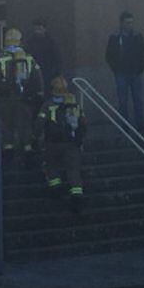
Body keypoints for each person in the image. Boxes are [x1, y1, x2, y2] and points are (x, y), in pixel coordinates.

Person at [0, 28, 44, 159]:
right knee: (25, 122)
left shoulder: (0, 58)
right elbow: (38, 75)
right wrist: (40, 91)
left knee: (7, 123)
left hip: (6, 96)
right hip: (25, 97)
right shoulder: (28, 57)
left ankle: (8, 149)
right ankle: (27, 148)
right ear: (20, 41)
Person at [36, 76, 87, 213]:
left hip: (53, 143)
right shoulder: (74, 104)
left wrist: (37, 136)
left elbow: (39, 123)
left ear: (53, 90)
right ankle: (77, 196)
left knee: (51, 166)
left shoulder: (48, 105)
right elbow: (83, 123)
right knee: (73, 170)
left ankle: (56, 190)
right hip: (71, 143)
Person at [105, 11, 144, 131]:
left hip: (135, 72)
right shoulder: (115, 37)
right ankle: (125, 126)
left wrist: (141, 68)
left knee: (138, 100)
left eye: (131, 22)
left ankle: (140, 125)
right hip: (121, 73)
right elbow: (109, 55)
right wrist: (116, 69)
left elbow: (143, 52)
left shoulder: (137, 36)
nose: (130, 25)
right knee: (123, 101)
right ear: (121, 23)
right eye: (128, 23)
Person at [26, 18, 62, 96]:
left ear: (44, 29)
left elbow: (57, 59)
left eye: (39, 28)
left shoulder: (51, 42)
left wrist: (55, 74)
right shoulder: (29, 43)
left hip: (48, 75)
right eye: (35, 28)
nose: (37, 30)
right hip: (33, 77)